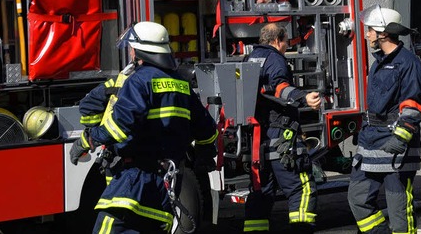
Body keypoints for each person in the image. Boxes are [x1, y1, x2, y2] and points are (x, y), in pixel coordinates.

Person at [70, 21, 218, 233]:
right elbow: (207, 130)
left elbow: (119, 127)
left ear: (139, 50)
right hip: (166, 185)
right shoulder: (182, 85)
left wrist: (88, 140)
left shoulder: (138, 81)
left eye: (132, 47)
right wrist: (205, 154)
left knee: (107, 228)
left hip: (135, 179)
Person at [348, 5, 421, 234]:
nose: (367, 34)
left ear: (383, 33)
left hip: (396, 147)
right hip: (371, 143)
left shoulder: (408, 63)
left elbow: (412, 104)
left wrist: (401, 137)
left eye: (370, 30)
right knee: (358, 199)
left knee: (399, 213)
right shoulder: (378, 62)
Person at [244, 22, 322, 233]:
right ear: (277, 41)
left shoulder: (250, 58)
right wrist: (303, 97)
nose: (287, 46)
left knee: (261, 194)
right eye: (286, 41)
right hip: (280, 136)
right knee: (302, 189)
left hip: (258, 142)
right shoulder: (276, 60)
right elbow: (280, 88)